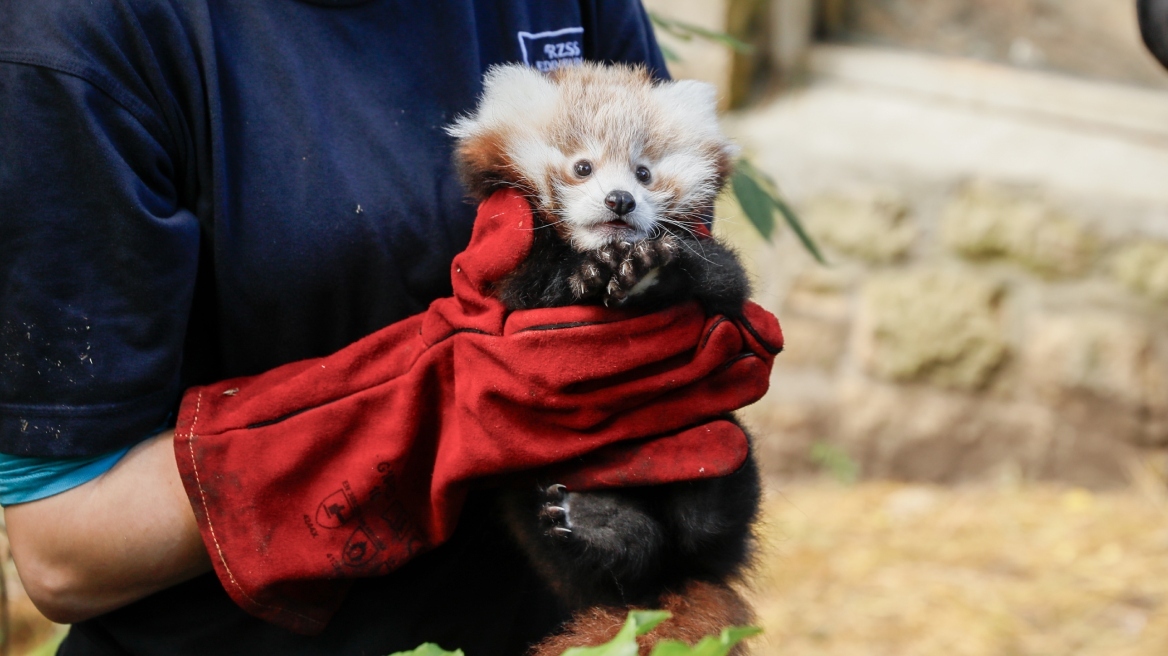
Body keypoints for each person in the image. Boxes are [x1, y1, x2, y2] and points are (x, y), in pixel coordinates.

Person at [0, 1, 687, 653]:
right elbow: (64, 555)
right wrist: (436, 416)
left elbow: (677, 253)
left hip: (559, 621)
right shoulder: (74, 37)